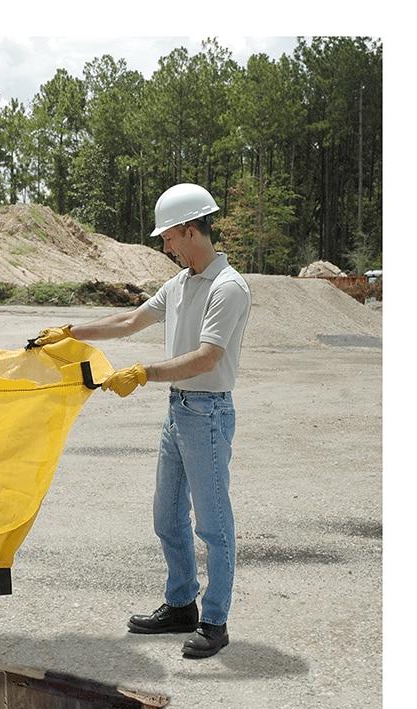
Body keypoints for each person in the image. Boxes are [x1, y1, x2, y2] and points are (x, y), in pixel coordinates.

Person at [30, 183, 251, 658]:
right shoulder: (181, 283)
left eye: (169, 236)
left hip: (207, 414)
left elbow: (207, 358)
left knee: (212, 524)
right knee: (167, 515)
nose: (165, 245)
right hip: (179, 411)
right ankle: (181, 605)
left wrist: (145, 372)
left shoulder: (227, 287)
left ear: (191, 229)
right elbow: (130, 322)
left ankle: (214, 620)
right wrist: (69, 334)